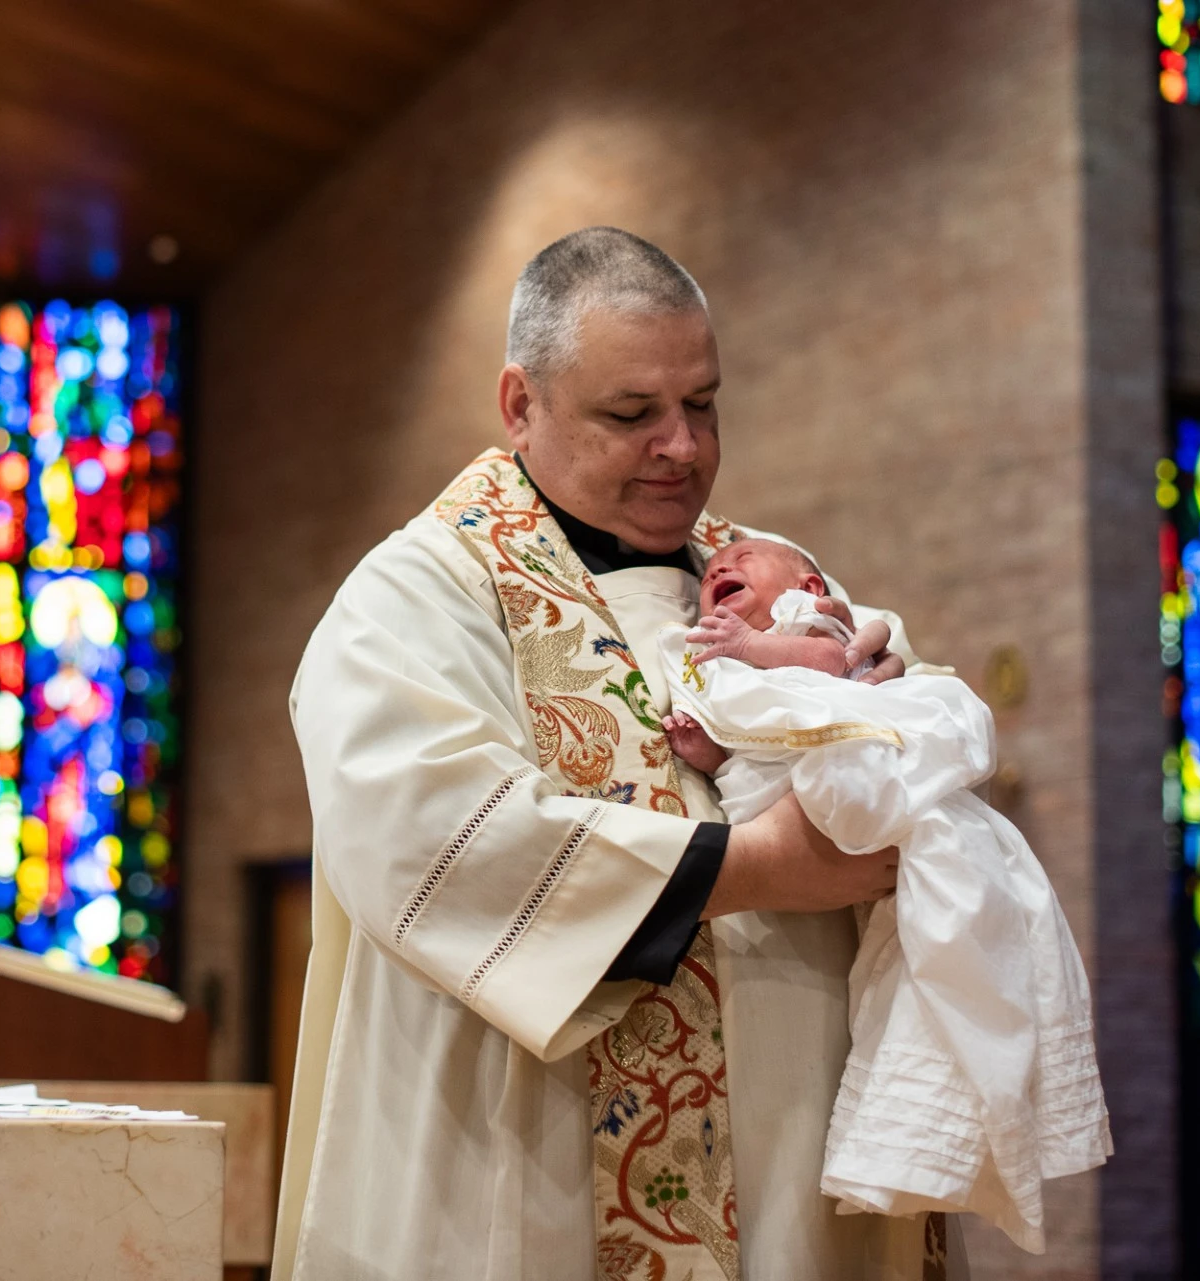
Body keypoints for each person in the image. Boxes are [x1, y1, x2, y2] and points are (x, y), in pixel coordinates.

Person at [277, 226, 961, 1280]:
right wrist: (764, 868)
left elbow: (921, 759)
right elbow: (424, 836)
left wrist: (893, 706)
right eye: (633, 415)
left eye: (704, 404)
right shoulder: (417, 595)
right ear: (521, 405)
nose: (683, 447)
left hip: (798, 1179)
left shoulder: (771, 586)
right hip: (524, 1178)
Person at [656, 534, 1112, 1254]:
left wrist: (753, 644)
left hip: (836, 768)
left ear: (807, 583)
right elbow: (750, 733)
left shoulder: (809, 616)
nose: (721, 564)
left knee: (943, 935)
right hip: (772, 793)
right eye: (716, 571)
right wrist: (710, 749)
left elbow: (836, 666)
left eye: (700, 411)